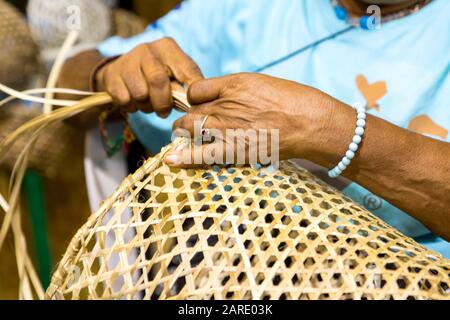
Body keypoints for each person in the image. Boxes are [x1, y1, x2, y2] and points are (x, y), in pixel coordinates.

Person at [58, 0, 450, 257]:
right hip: (228, 273)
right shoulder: (246, 7)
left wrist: (331, 130)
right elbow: (62, 86)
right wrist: (108, 72)